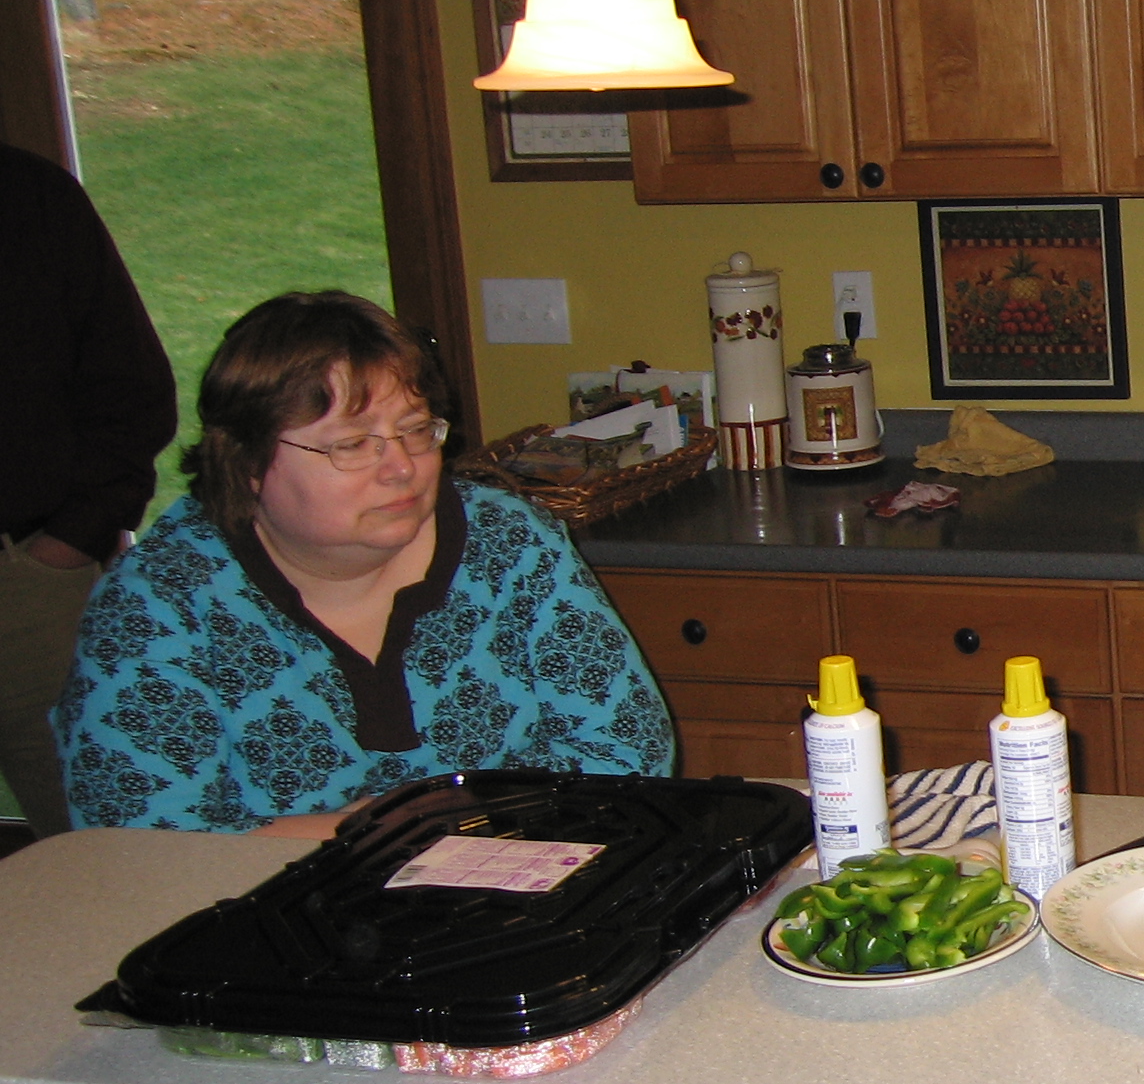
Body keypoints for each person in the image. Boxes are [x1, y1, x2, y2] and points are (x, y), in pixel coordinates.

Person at [54, 291, 673, 831]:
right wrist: (392, 830)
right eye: (353, 444)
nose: (402, 466)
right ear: (246, 462)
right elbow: (142, 838)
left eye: (416, 430)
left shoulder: (509, 541)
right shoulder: (159, 601)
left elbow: (629, 756)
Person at [0, 143, 177, 838]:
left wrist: (68, 543)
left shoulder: (29, 199)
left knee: (99, 843)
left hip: (26, 586)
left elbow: (131, 390)